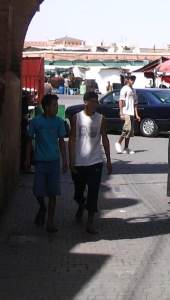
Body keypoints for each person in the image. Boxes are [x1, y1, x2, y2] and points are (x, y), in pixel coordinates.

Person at [69, 91, 113, 234]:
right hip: (79, 162)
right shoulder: (76, 118)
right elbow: (72, 139)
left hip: (95, 162)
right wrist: (71, 159)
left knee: (93, 192)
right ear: (85, 102)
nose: (95, 105)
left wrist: (109, 161)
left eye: (96, 102)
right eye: (92, 102)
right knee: (79, 192)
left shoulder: (101, 119)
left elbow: (105, 139)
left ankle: (90, 223)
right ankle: (81, 204)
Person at [24, 94, 68, 232]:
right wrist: (27, 158)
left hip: (54, 161)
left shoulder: (59, 122)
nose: (56, 108)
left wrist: (64, 160)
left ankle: (50, 221)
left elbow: (61, 141)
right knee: (38, 190)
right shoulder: (36, 122)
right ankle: (42, 206)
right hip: (40, 161)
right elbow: (29, 140)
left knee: (53, 192)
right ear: (46, 107)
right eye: (54, 105)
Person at [115, 75, 140, 154]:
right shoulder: (124, 89)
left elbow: (135, 103)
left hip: (131, 112)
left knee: (130, 132)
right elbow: (120, 101)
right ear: (128, 80)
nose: (133, 81)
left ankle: (126, 148)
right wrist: (121, 113)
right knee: (127, 129)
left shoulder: (134, 90)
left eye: (134, 79)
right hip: (126, 112)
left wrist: (137, 114)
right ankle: (118, 142)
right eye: (131, 79)